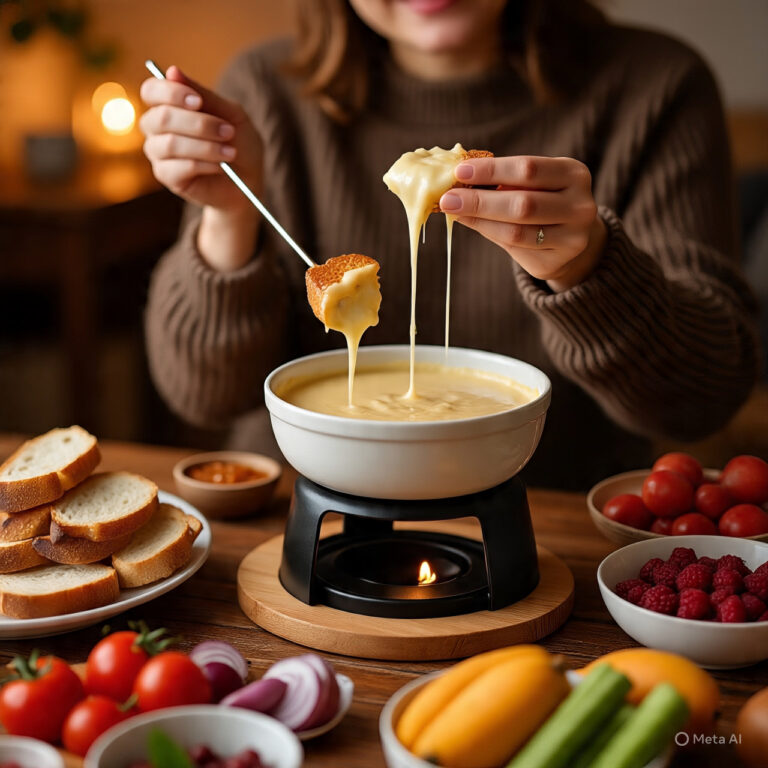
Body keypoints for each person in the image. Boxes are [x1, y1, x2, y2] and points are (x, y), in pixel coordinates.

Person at [140, 0, 759, 490]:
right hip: (294, 512)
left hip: (553, 523)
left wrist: (589, 269)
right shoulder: (263, 90)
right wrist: (229, 215)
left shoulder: (656, 86)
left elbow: (701, 400)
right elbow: (203, 394)